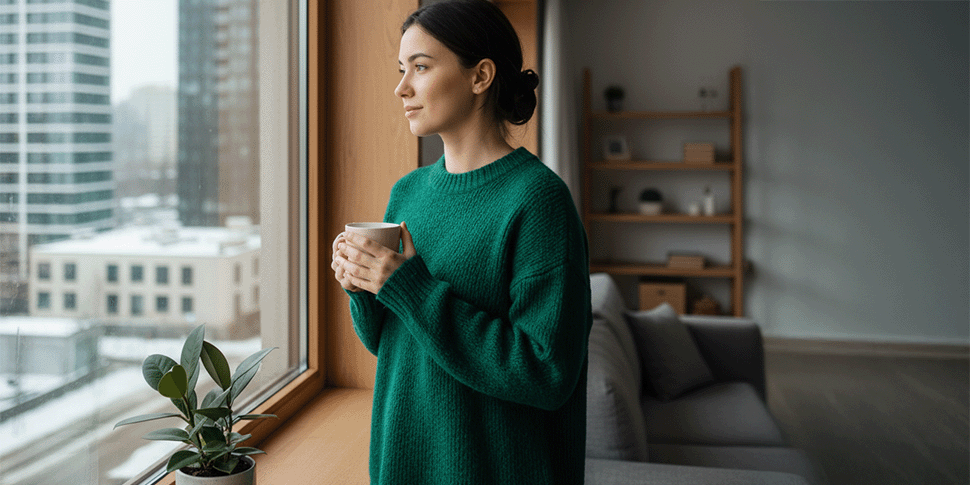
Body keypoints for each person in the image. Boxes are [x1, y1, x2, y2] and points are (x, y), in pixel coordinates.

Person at [330, 1, 591, 483]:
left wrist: (408, 286)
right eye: (401, 69)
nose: (401, 87)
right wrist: (363, 285)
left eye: (421, 68)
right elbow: (390, 345)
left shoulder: (538, 200)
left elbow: (547, 372)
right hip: (403, 460)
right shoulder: (407, 192)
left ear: (480, 76)